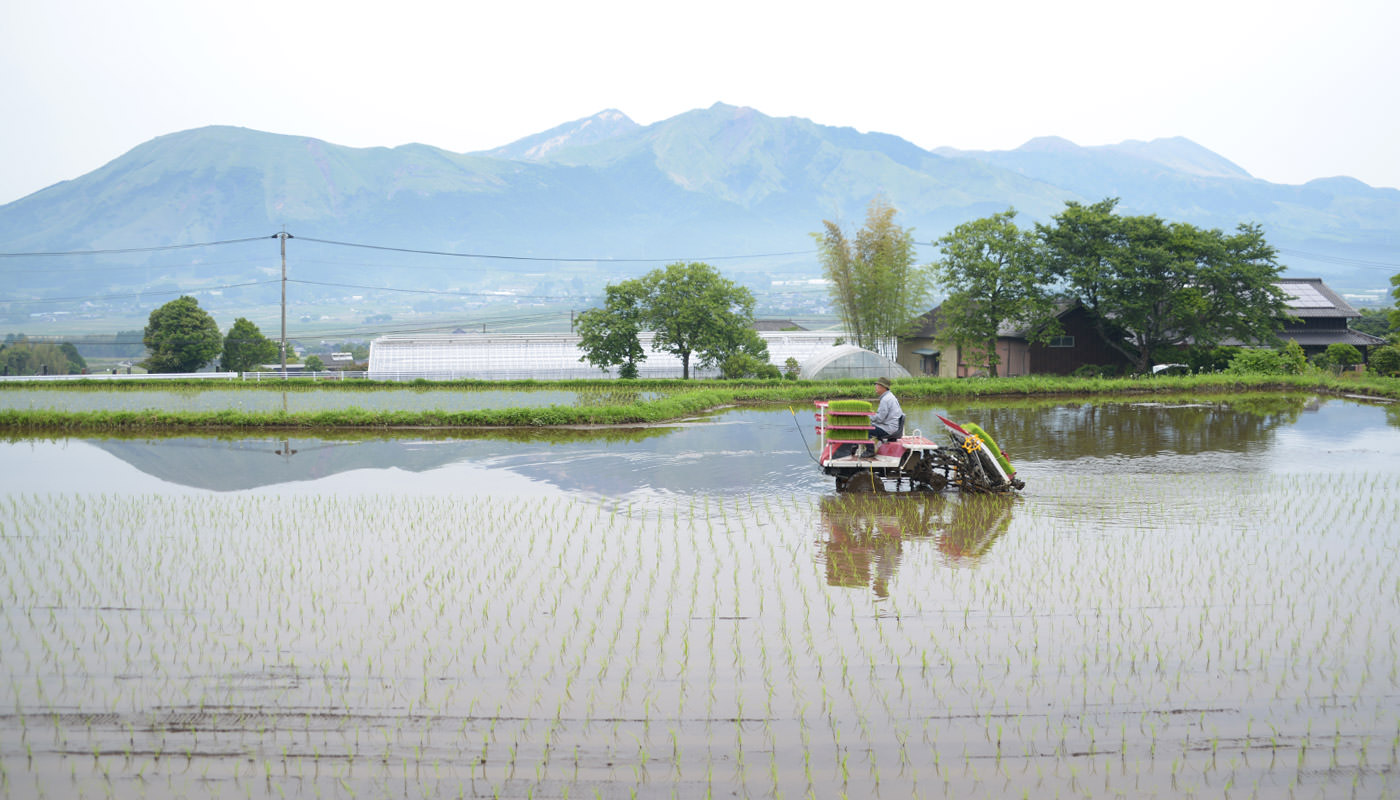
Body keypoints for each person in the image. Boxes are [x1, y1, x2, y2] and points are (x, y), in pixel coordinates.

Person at [868, 376, 903, 443]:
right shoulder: (890, 396)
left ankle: (870, 450)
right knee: (872, 425)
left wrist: (868, 416)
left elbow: (879, 419)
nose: (875, 386)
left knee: (865, 429)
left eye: (877, 385)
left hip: (888, 429)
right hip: (893, 428)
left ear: (883, 387)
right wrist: (874, 415)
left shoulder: (885, 400)